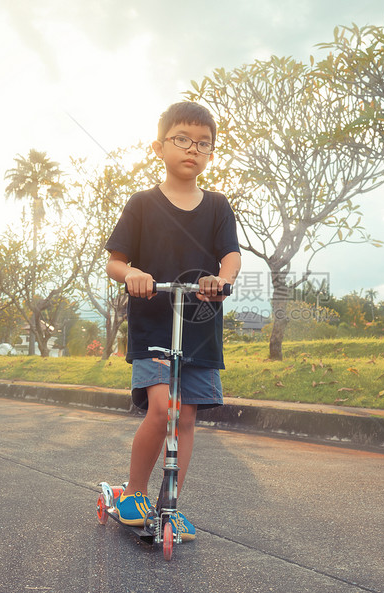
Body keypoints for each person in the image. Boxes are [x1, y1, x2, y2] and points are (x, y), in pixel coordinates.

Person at [104, 101, 241, 542]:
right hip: (154, 325)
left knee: (186, 420)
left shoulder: (218, 206)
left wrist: (223, 279)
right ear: (159, 146)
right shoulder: (142, 204)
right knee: (163, 409)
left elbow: (231, 255)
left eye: (204, 143)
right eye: (182, 139)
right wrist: (135, 274)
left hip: (199, 327)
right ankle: (135, 493)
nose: (193, 149)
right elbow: (115, 262)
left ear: (211, 154)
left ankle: (170, 505)